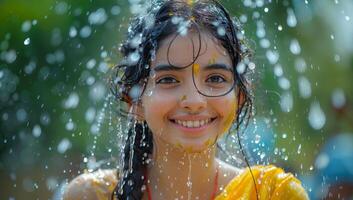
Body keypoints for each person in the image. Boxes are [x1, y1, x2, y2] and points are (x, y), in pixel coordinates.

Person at [63, 0, 309, 199]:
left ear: (239, 96)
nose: (194, 100)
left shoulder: (272, 195)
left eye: (215, 78)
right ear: (134, 102)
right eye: (168, 79)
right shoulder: (92, 195)